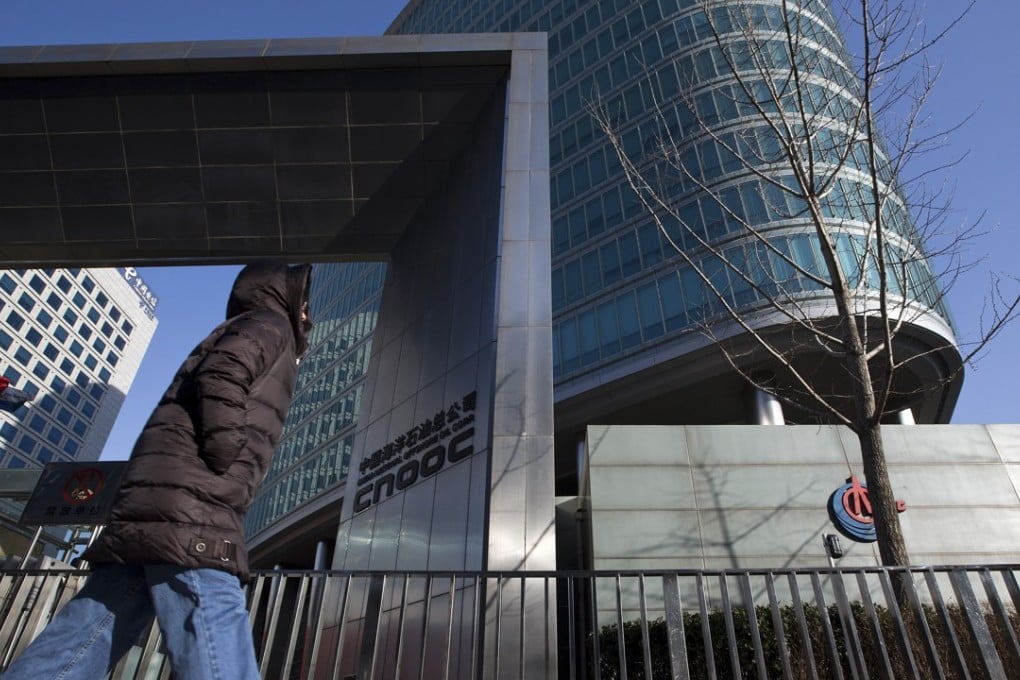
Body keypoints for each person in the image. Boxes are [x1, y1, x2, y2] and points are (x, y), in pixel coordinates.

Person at [3, 260, 313, 680]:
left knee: (85, 637)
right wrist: (227, 453)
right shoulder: (269, 324)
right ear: (282, 295)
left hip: (165, 502)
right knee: (216, 618)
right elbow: (222, 374)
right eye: (304, 300)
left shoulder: (258, 326)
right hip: (194, 504)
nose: (307, 311)